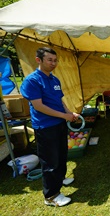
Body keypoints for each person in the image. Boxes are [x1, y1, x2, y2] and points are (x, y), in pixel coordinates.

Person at [20, 47, 80, 207]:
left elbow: (60, 101)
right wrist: (63, 116)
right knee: (50, 161)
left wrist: (69, 113)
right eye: (50, 60)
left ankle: (60, 179)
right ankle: (51, 196)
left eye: (55, 60)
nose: (53, 63)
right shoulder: (32, 80)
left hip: (59, 124)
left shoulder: (55, 80)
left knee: (61, 154)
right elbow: (38, 106)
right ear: (38, 60)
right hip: (45, 127)